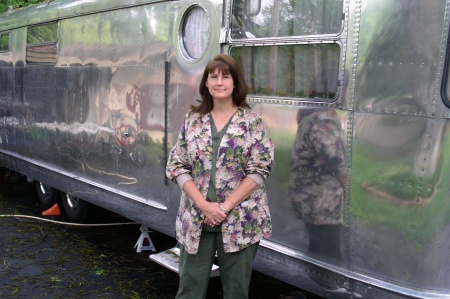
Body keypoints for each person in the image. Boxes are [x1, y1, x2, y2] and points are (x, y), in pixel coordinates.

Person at [166, 54, 274, 299]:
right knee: (189, 291)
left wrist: (223, 208)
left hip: (240, 221)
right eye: (213, 76)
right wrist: (204, 206)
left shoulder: (251, 122)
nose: (219, 82)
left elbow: (259, 169)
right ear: (205, 83)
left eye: (226, 76)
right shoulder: (193, 120)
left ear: (236, 83)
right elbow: (176, 164)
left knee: (236, 292)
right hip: (197, 220)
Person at [287, 108, 347, 292]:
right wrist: (348, 184)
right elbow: (335, 159)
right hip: (320, 197)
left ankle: (322, 280)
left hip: (310, 194)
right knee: (326, 243)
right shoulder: (323, 120)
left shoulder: (312, 117)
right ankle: (326, 285)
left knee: (319, 241)